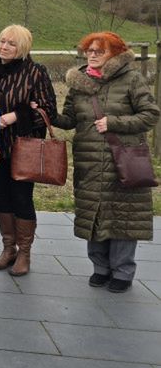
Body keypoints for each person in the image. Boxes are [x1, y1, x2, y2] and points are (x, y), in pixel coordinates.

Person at [54, 32, 159, 293]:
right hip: (89, 162)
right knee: (94, 215)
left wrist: (114, 122)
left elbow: (150, 114)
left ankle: (122, 270)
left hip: (122, 161)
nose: (91, 54)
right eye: (88, 50)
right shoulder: (79, 83)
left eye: (99, 51)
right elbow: (70, 119)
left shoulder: (132, 79)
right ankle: (100, 267)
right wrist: (47, 114)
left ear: (114, 54)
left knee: (122, 216)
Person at [0, 25, 57, 276]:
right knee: (1, 196)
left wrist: (14, 116)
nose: (4, 47)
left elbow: (47, 111)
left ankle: (24, 251)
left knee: (21, 198)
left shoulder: (35, 72)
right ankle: (8, 248)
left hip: (23, 147)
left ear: (23, 48)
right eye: (2, 41)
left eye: (11, 44)